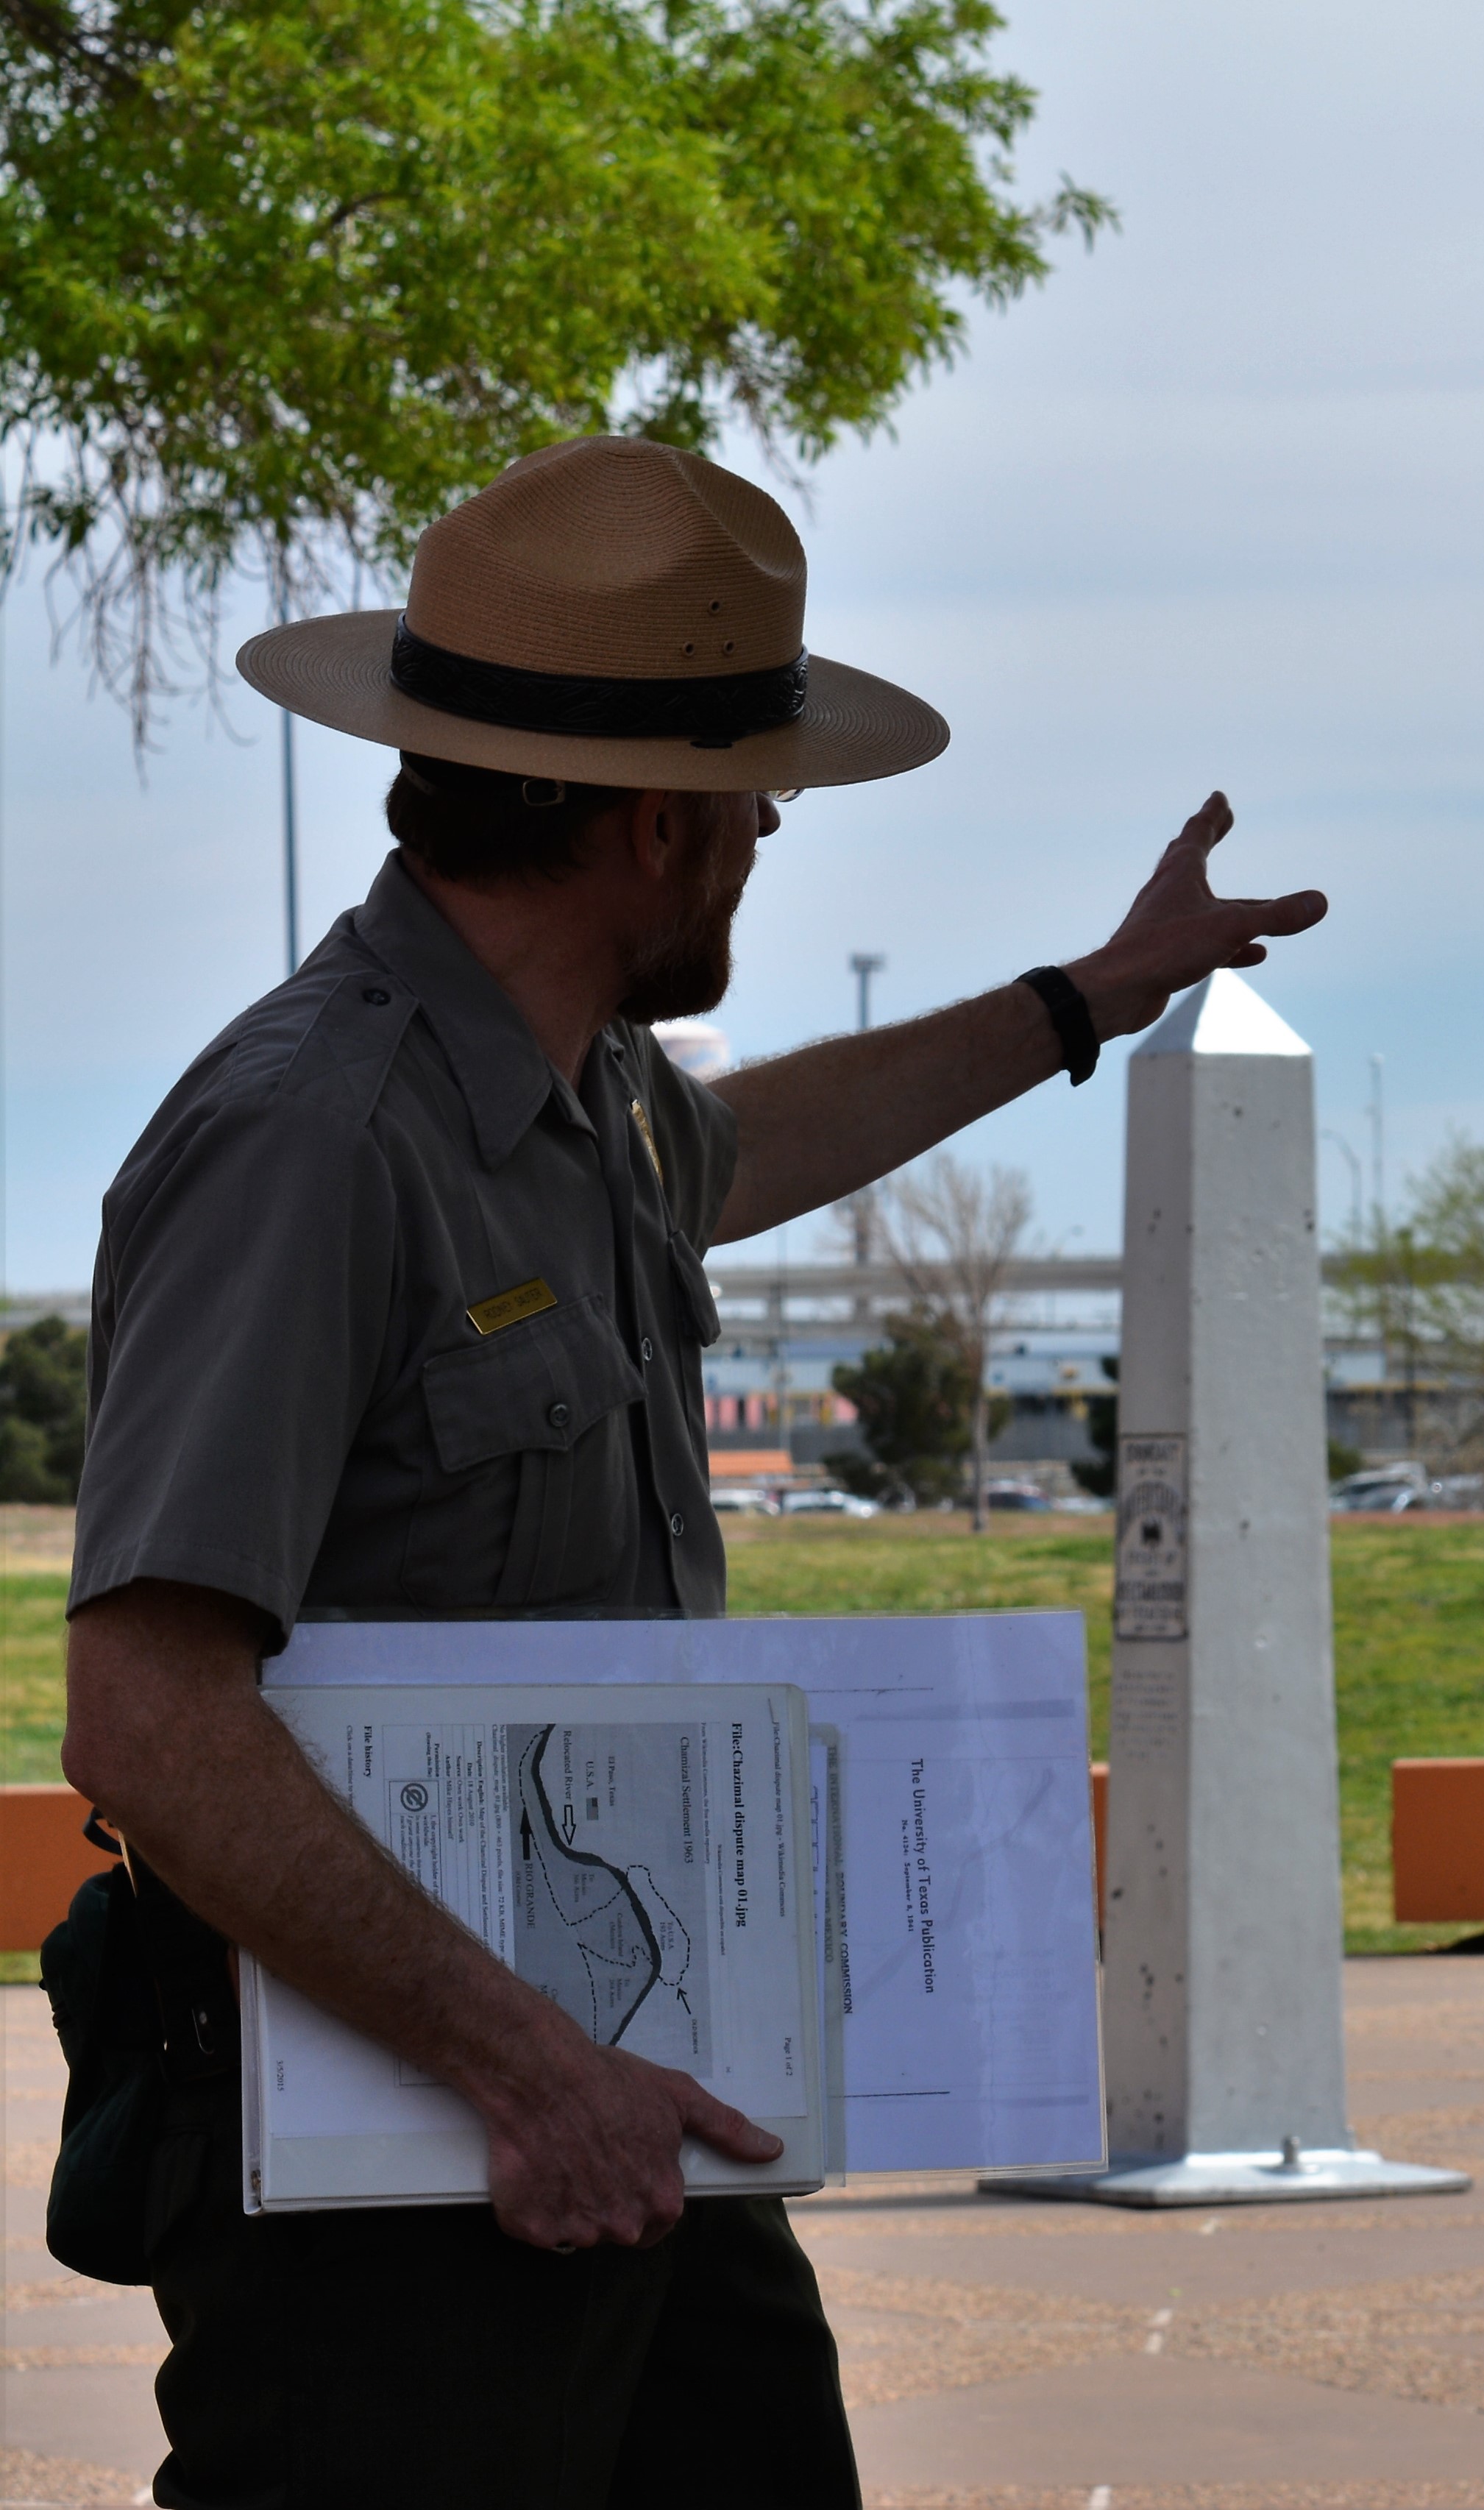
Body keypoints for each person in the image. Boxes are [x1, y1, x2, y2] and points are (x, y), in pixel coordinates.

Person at [53, 435, 1327, 2506]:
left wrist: (1085, 998)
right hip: (405, 2144)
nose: (764, 835)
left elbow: (777, 1137)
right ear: (658, 828)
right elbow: (151, 1716)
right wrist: (521, 2062)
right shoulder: (314, 1139)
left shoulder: (595, 1100)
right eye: (756, 798)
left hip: (621, 2098)